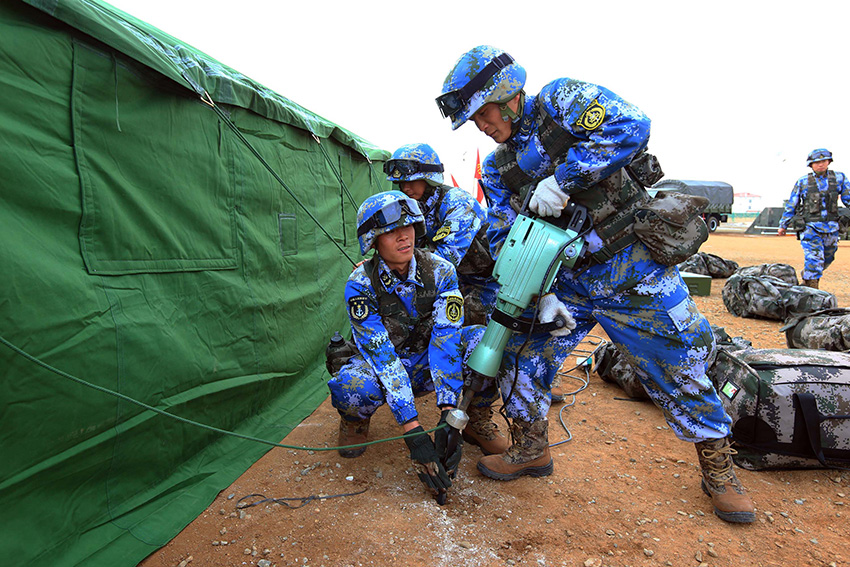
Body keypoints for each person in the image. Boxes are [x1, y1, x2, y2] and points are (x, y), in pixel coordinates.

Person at [436, 45, 755, 523]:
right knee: (521, 354)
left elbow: (631, 125)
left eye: (483, 113)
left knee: (681, 362)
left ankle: (720, 470)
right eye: (473, 120)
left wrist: (563, 180)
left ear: (508, 97)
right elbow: (503, 231)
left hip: (634, 271)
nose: (481, 125)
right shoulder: (500, 168)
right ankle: (530, 448)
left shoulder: (560, 101)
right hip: (565, 284)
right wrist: (532, 280)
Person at [326, 191, 502, 498]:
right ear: (373, 241)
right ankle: (355, 422)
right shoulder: (360, 284)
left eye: (408, 227)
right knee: (351, 386)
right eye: (391, 231)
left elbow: (446, 340)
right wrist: (413, 430)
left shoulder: (441, 270)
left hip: (428, 361)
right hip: (384, 365)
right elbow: (382, 356)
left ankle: (473, 417)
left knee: (483, 345)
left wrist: (449, 412)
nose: (403, 236)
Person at [777, 148, 850, 288]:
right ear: (811, 165)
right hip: (810, 227)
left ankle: (808, 276)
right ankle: (812, 290)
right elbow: (792, 204)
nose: (820, 164)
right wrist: (783, 225)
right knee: (814, 259)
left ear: (829, 162)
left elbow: (848, 198)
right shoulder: (803, 182)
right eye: (816, 162)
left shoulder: (839, 178)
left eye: (823, 161)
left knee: (828, 258)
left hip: (832, 227)